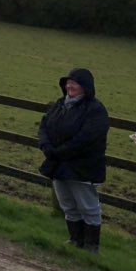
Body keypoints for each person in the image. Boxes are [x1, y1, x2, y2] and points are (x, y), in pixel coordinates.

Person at [38, 68, 109, 253]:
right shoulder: (60, 104)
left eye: (75, 83)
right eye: (68, 82)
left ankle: (91, 246)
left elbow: (87, 138)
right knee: (67, 204)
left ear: (85, 87)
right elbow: (45, 125)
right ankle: (75, 240)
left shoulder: (95, 109)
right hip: (58, 164)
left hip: (82, 166)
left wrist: (58, 152)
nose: (70, 86)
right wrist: (46, 146)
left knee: (88, 206)